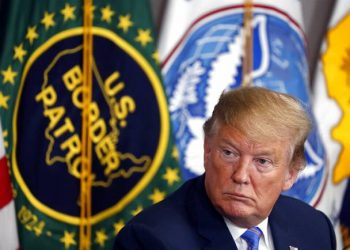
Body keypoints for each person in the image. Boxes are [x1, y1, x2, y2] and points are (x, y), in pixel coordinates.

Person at [114, 87, 336, 250]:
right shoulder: (152, 240)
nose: (240, 176)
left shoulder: (314, 228)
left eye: (262, 162)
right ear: (207, 151)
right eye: (229, 153)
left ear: (290, 174)